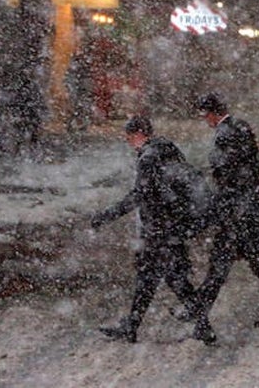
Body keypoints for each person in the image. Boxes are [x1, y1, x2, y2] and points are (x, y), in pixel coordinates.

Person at [91, 115, 216, 345]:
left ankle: (202, 327)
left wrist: (107, 215)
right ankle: (134, 326)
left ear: (139, 134)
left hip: (159, 230)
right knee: (154, 279)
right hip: (172, 227)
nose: (129, 142)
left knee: (169, 279)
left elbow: (140, 195)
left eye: (130, 137)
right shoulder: (168, 150)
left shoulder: (148, 158)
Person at [194, 92, 259, 328]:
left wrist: (217, 205)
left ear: (212, 113)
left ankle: (197, 312)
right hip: (251, 208)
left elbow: (227, 175)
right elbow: (251, 168)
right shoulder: (241, 127)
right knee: (257, 263)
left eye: (205, 115)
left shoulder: (224, 134)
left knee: (222, 263)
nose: (205, 120)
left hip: (238, 213)